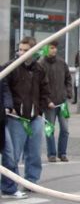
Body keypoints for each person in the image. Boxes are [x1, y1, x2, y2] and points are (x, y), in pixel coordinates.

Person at [3, 37, 52, 192]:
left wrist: (40, 111)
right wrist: (10, 107)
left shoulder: (39, 69)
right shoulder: (10, 67)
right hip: (17, 117)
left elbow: (45, 91)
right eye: (20, 50)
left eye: (25, 50)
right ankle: (10, 184)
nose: (22, 53)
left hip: (35, 117)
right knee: (13, 154)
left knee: (34, 153)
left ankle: (31, 181)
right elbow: (4, 89)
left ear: (33, 51)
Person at [41, 40, 73, 162]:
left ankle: (62, 153)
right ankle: (51, 154)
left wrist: (69, 93)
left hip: (63, 102)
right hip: (49, 103)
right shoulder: (42, 64)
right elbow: (40, 85)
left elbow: (68, 79)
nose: (54, 50)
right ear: (46, 49)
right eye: (51, 48)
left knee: (65, 129)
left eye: (55, 48)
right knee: (50, 129)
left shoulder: (61, 63)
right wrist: (47, 100)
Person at [0, 66, 26, 199]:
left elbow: (5, 90)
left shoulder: (1, 71)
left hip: (1, 122)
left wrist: (8, 106)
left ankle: (8, 188)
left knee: (9, 156)